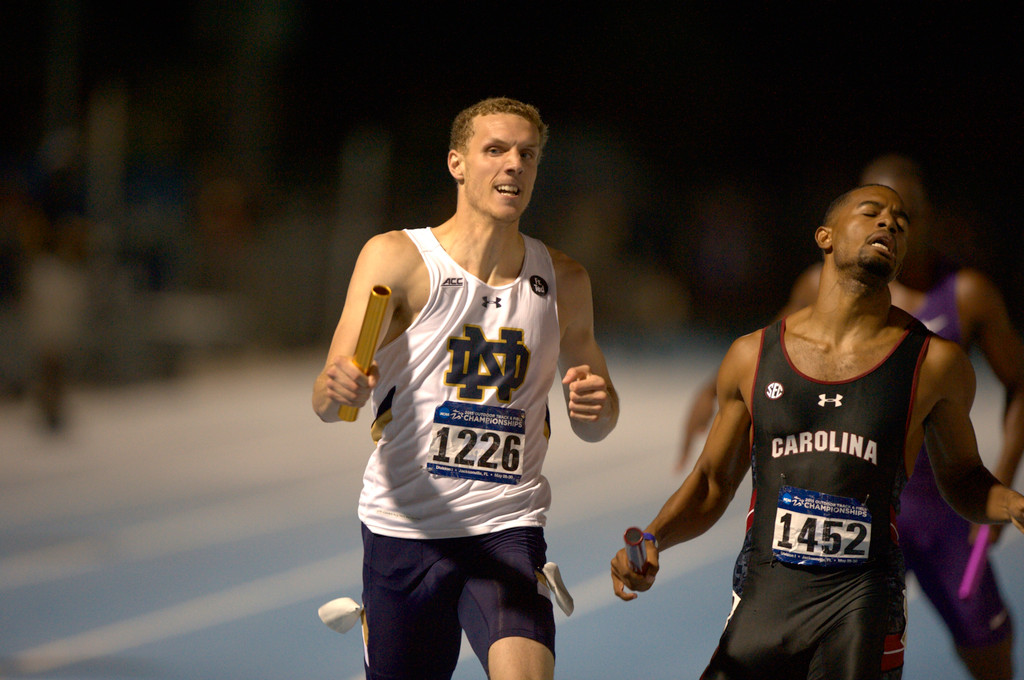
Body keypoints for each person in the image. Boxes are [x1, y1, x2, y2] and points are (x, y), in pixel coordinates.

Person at [612, 183, 1024, 680]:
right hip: (766, 599)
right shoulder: (752, 355)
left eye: (900, 222)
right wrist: (655, 537)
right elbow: (711, 483)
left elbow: (962, 478)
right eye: (871, 212)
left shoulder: (936, 362)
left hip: (862, 609)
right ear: (825, 237)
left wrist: (1011, 504)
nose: (889, 223)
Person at [313, 97, 618, 680]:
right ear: (456, 163)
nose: (514, 165)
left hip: (506, 527)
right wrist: (338, 388)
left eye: (527, 154)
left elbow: (596, 422)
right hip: (405, 531)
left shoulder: (565, 280)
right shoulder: (396, 258)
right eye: (495, 150)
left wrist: (596, 405)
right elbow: (330, 403)